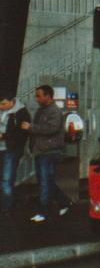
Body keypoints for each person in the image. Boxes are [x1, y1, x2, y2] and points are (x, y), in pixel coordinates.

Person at [20, 85, 72, 222]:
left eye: (39, 95)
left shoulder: (54, 111)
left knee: (44, 182)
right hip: (41, 151)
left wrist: (31, 127)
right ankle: (65, 202)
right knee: (46, 181)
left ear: (48, 96)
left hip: (50, 151)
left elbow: (52, 129)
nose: (36, 99)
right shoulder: (41, 110)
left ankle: (44, 212)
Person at [0, 95, 30, 216]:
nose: (1, 107)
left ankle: (7, 207)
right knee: (4, 178)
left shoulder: (21, 113)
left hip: (12, 149)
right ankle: (12, 200)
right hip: (2, 148)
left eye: (4, 104)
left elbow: (23, 134)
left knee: (7, 178)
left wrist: (4, 136)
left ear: (12, 101)